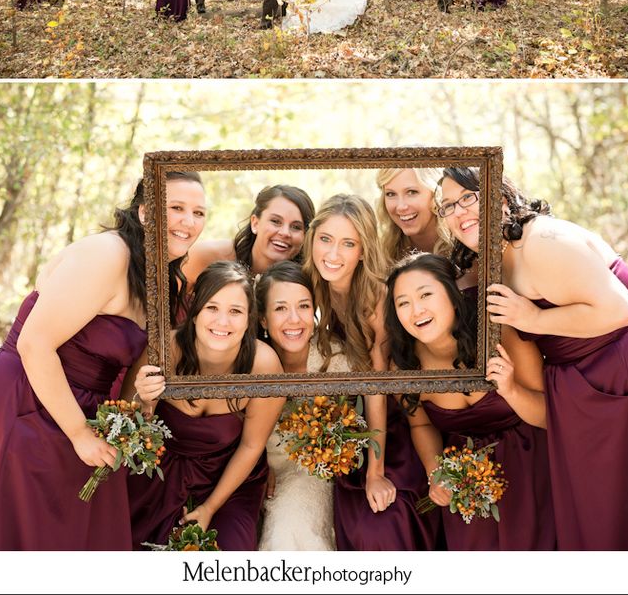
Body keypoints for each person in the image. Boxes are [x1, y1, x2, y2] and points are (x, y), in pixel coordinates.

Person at [0, 171, 205, 550]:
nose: (189, 221)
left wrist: (142, 403)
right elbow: (34, 344)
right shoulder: (107, 255)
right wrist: (79, 433)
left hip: (84, 412)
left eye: (199, 213)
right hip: (25, 400)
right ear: (145, 212)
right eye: (176, 208)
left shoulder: (156, 275)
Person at [438, 166, 628, 550]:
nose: (458, 211)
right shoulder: (494, 257)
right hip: (583, 389)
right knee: (607, 512)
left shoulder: (542, 241)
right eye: (448, 205)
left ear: (500, 199)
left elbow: (621, 310)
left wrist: (534, 317)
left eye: (468, 196)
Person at [385, 252, 555, 550]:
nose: (416, 310)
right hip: (464, 483)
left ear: (452, 296)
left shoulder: (498, 334)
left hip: (530, 467)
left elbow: (547, 417)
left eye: (426, 294)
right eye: (403, 303)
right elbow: (421, 423)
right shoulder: (404, 365)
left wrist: (511, 390)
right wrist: (435, 472)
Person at [305, 196, 434, 551]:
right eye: (326, 239)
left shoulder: (376, 297)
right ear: (312, 239)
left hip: (396, 419)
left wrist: (375, 474)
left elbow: (378, 386)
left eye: (348, 243)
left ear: (363, 251)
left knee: (381, 523)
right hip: (354, 420)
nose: (333, 253)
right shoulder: (312, 285)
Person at [127, 262, 285, 550]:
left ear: (250, 318)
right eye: (212, 308)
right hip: (159, 471)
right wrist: (146, 403)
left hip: (228, 481)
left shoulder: (264, 365)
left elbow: (251, 447)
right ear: (195, 310)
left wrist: (211, 507)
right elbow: (131, 424)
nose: (222, 322)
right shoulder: (165, 350)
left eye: (235, 311)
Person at [255, 262, 346, 550]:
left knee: (289, 530)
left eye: (304, 306)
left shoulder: (337, 358)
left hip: (314, 472)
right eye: (280, 308)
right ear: (263, 319)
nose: (294, 319)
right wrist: (257, 464)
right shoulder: (250, 360)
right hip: (260, 466)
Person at [185, 184, 315, 285]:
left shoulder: (309, 279)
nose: (285, 233)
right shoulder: (205, 256)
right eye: (275, 221)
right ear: (255, 223)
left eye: (296, 227)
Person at [375, 167, 442, 266]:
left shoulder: (465, 246)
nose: (401, 207)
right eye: (391, 194)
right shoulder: (381, 256)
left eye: (412, 192)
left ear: (436, 194)